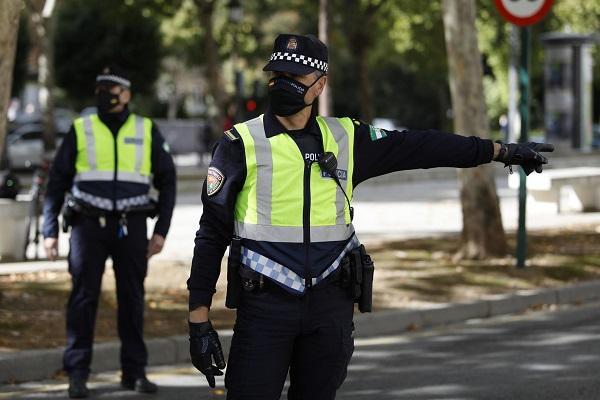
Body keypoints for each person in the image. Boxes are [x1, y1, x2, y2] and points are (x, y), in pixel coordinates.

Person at [186, 34, 552, 400]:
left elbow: (422, 147)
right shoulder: (239, 144)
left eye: (295, 77)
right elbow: (211, 234)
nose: (282, 83)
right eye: (277, 74)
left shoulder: (346, 138)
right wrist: (198, 321)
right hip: (265, 308)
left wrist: (503, 151)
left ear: (320, 85)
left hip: (330, 309)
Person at [42, 65, 176, 398]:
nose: (104, 96)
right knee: (83, 300)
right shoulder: (81, 128)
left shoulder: (146, 129)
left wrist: (161, 231)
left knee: (132, 300)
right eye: (99, 90)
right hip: (88, 226)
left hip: (131, 227)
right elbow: (56, 181)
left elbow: (168, 180)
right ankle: (77, 374)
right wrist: (49, 230)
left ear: (127, 94)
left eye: (111, 90)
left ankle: (135, 372)